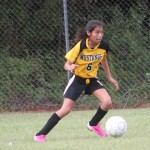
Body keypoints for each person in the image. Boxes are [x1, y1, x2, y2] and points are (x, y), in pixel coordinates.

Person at [34, 20, 119, 142]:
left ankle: (93, 124)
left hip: (92, 80)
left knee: (107, 102)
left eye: (101, 32)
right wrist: (70, 67)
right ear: (89, 33)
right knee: (65, 110)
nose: (100, 35)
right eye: (97, 32)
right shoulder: (81, 45)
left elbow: (103, 60)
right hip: (78, 80)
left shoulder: (103, 46)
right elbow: (66, 65)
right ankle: (40, 134)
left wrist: (110, 77)